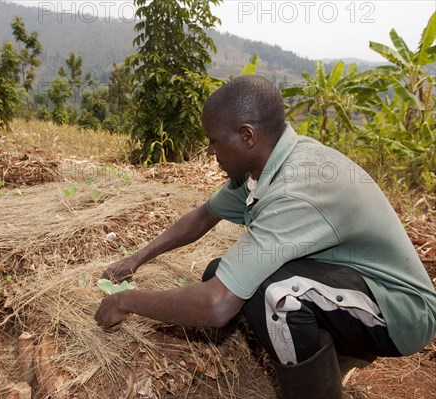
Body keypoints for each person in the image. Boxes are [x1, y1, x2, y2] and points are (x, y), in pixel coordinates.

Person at [94, 75, 436, 399]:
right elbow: (202, 217)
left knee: (274, 295)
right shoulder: (260, 171)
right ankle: (328, 357)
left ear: (246, 136)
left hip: (398, 311)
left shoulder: (297, 188)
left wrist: (127, 301)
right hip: (349, 287)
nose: (210, 151)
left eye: (214, 140)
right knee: (220, 273)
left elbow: (216, 306)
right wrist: (135, 259)